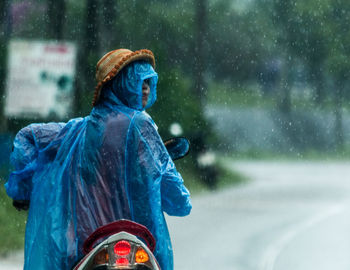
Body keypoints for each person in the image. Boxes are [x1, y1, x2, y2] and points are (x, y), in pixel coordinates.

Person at [5, 49, 192, 270]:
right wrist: (177, 197)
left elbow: (26, 137)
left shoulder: (74, 131)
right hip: (139, 244)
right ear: (118, 83)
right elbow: (180, 203)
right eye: (136, 79)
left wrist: (24, 191)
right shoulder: (142, 124)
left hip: (84, 245)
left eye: (148, 81)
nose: (145, 87)